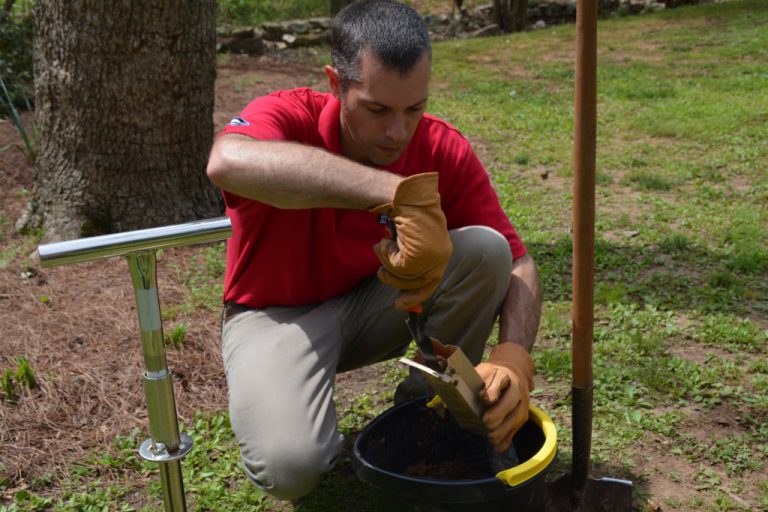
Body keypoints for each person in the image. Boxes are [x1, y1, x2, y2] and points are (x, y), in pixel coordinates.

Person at [206, 0, 542, 501]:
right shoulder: (287, 115)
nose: (397, 132)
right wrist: (391, 191)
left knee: (486, 250)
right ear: (335, 83)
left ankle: (429, 412)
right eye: (378, 109)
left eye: (414, 108)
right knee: (290, 467)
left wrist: (514, 358)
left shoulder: (441, 146)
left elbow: (519, 263)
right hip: (273, 316)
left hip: (376, 303)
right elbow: (228, 162)